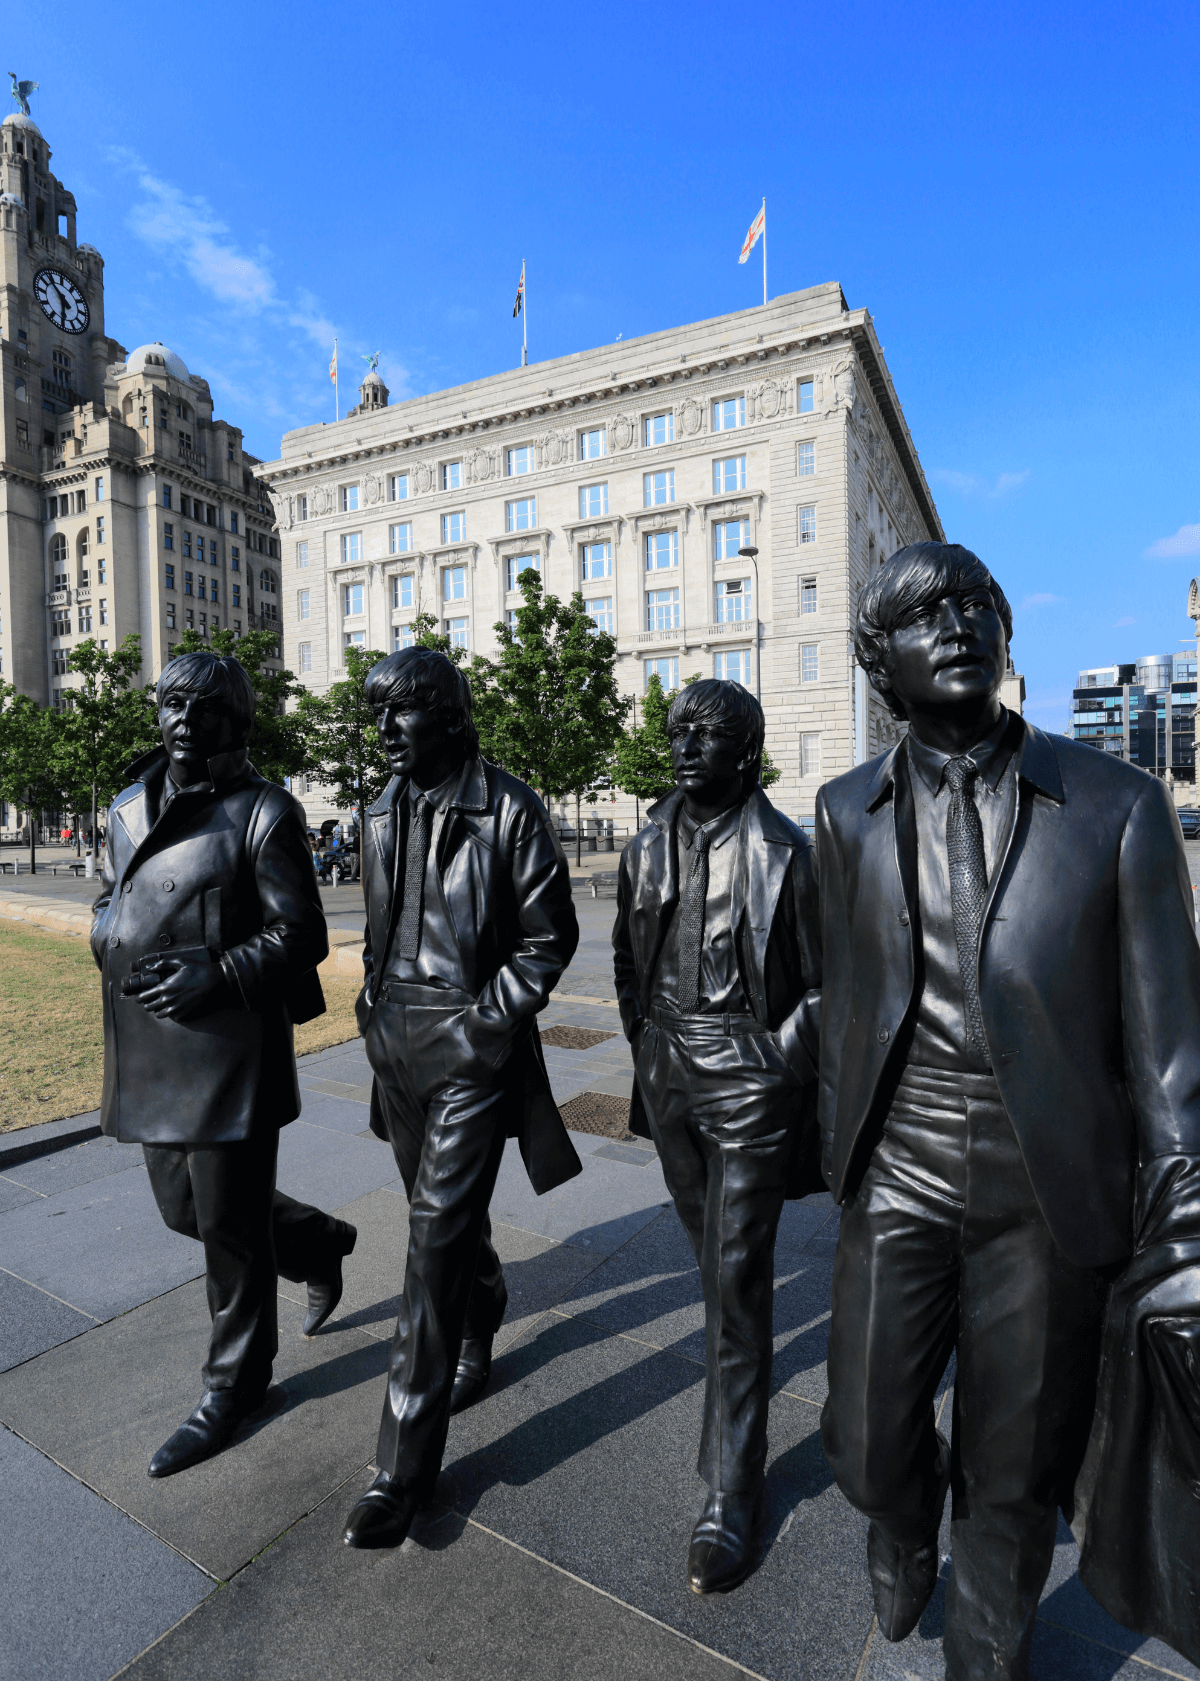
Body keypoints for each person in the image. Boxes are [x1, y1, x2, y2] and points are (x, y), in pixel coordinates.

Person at [816, 541, 1200, 1679]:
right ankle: (898, 1516)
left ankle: (991, 1649)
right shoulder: (845, 813)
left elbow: (1174, 1049)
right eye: (924, 611)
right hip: (901, 1157)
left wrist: (1183, 1230)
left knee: (1018, 1459)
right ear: (879, 660)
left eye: (977, 601)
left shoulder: (1117, 806)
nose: (961, 621)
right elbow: (844, 988)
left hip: (1050, 1174)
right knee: (870, 1441)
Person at [91, 653, 357, 1479]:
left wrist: (221, 969)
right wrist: (104, 931)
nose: (185, 720)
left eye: (206, 709)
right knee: (186, 1213)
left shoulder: (263, 811)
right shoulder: (129, 806)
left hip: (227, 1050)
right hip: (146, 1041)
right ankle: (319, 1242)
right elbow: (109, 893)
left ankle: (235, 1386)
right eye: (174, 704)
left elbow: (302, 934)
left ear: (236, 723)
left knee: (230, 1234)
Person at [341, 647, 581, 1551]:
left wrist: (486, 1029)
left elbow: (545, 939)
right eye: (379, 717)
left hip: (469, 1043)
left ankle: (401, 1470)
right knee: (440, 1220)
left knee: (432, 1236)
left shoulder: (509, 809)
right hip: (394, 1039)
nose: (386, 732)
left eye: (400, 713)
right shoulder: (376, 809)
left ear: (444, 712)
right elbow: (374, 928)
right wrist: (369, 1003)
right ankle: (485, 1304)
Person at [612, 677, 822, 1594]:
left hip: (748, 1067)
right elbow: (625, 960)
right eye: (676, 732)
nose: (684, 746)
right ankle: (738, 1390)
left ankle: (730, 1486)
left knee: (735, 1274)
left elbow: (827, 984)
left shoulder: (789, 852)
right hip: (668, 1063)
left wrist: (776, 1060)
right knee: (713, 1265)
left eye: (706, 733)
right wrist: (648, 1045)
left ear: (748, 749)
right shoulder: (644, 845)